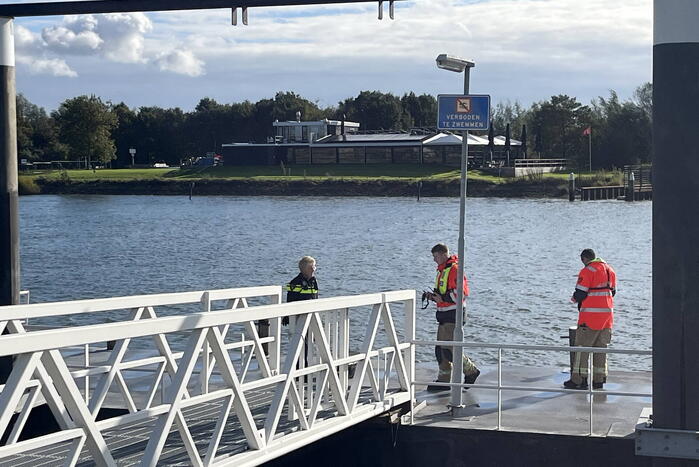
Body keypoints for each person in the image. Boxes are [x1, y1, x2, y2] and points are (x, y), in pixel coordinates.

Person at [425, 243, 480, 392]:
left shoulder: (455, 270)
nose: (434, 260)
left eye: (435, 256)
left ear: (443, 254)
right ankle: (444, 381)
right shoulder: (442, 270)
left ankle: (471, 371)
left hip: (453, 315)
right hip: (444, 314)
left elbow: (461, 294)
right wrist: (433, 297)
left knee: (449, 349)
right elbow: (444, 293)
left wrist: (441, 297)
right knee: (440, 350)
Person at [564, 249, 617, 390]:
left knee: (582, 349)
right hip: (607, 317)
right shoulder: (609, 270)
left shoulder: (587, 271)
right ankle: (599, 380)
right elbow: (613, 292)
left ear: (584, 259)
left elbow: (580, 293)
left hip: (590, 318)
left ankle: (579, 380)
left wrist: (573, 299)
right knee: (601, 350)